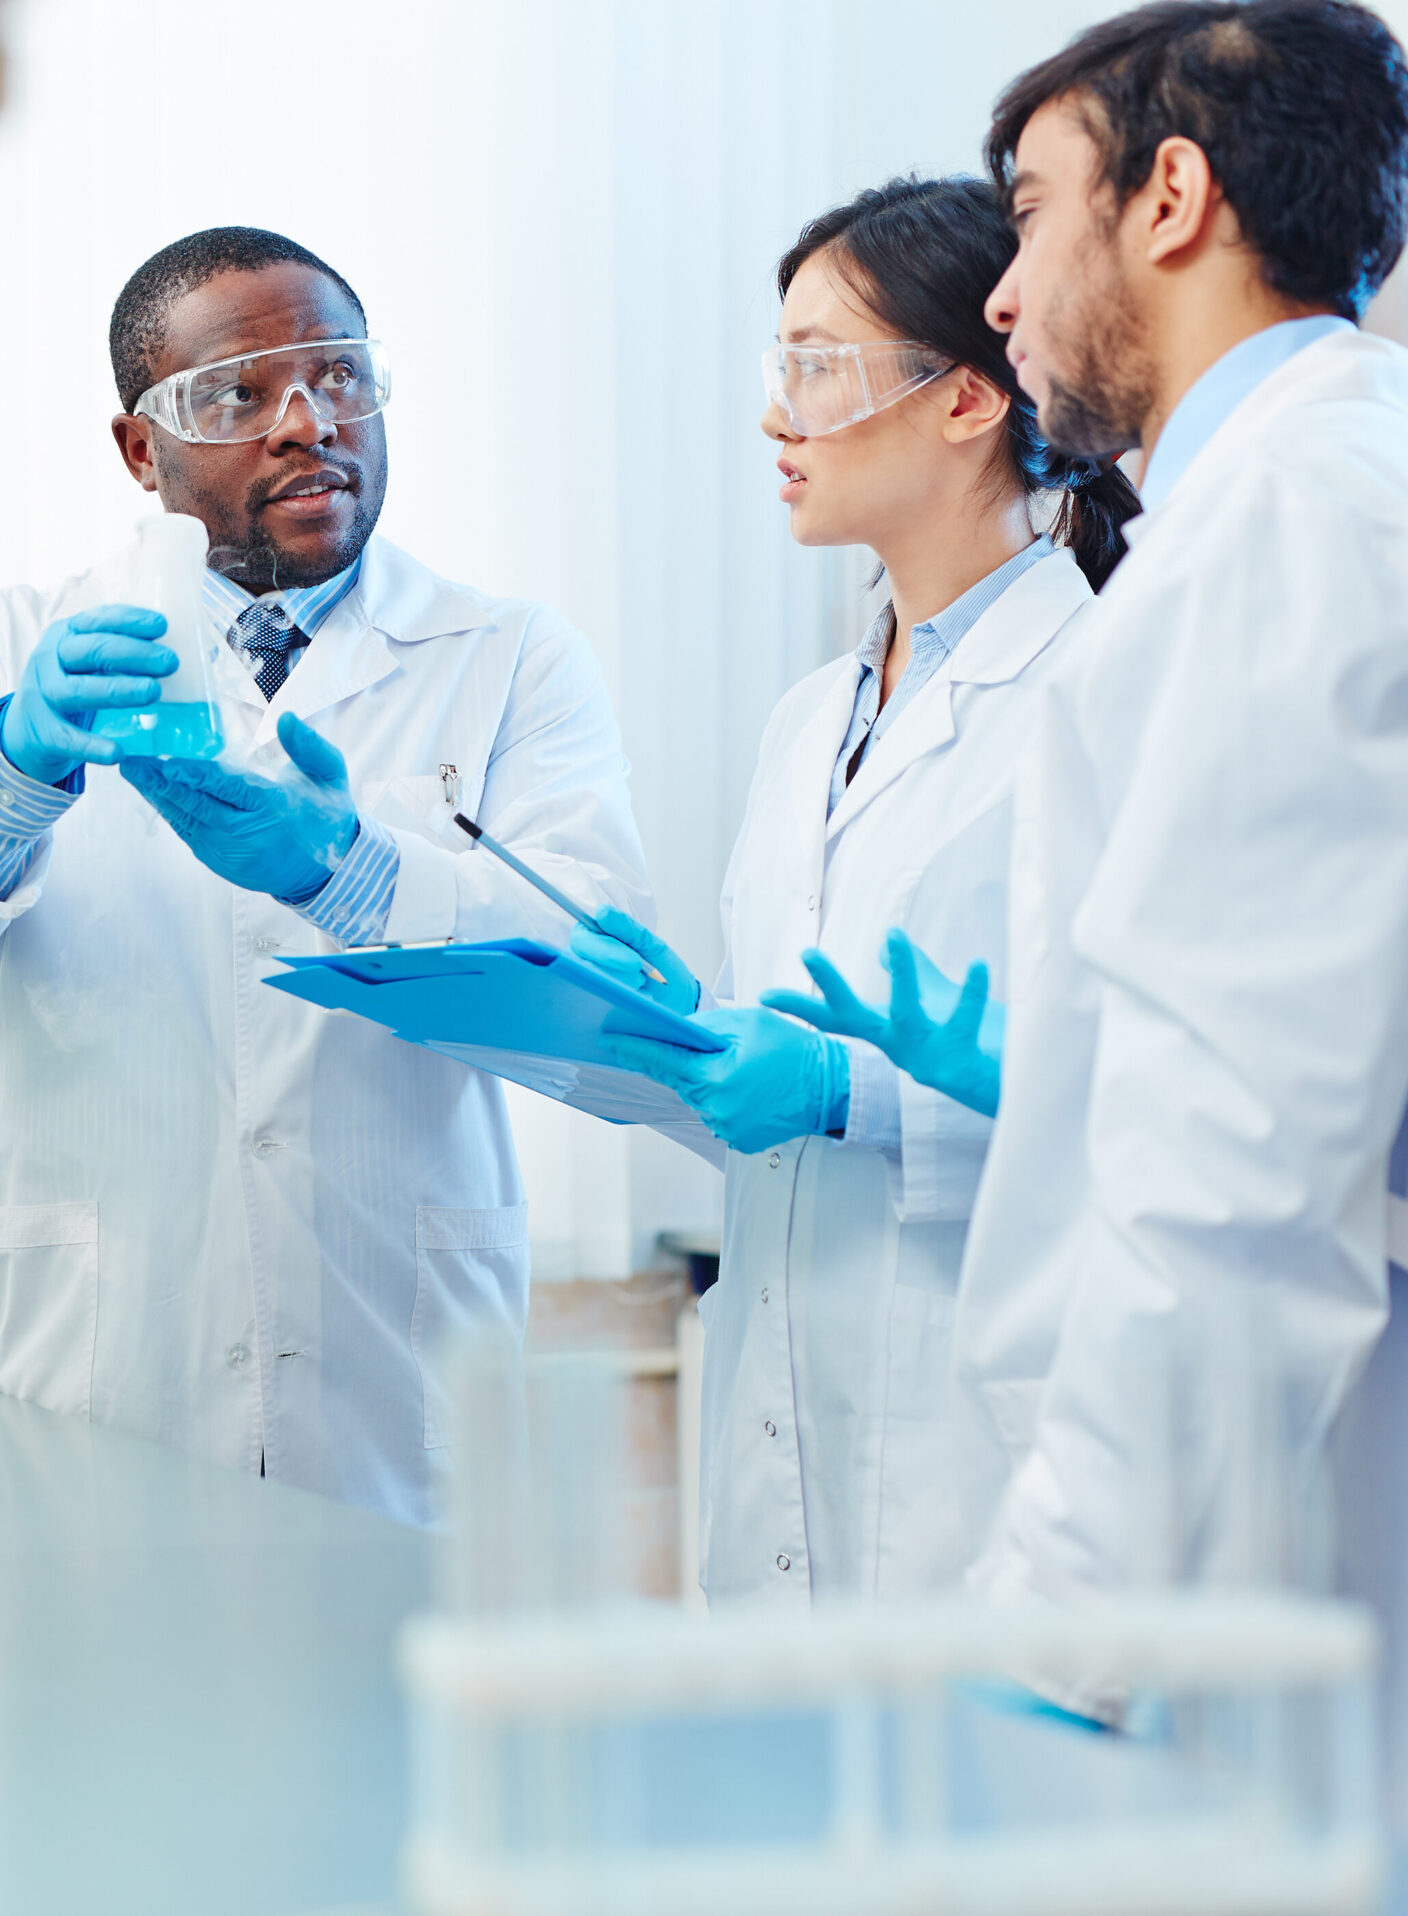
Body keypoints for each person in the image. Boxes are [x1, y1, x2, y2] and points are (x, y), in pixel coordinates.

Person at [0, 227, 650, 1524]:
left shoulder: (511, 660)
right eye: (236, 396)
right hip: (108, 1378)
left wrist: (348, 873)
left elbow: (608, 1004)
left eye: (339, 377)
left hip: (396, 1391)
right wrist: (18, 773)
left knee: (386, 1712)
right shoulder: (9, 647)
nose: (306, 424)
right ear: (141, 450)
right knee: (114, 1707)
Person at [785, 0, 1408, 1725]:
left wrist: (1068, 1636)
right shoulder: (1296, 496)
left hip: (1224, 1570)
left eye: (1035, 206)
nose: (1000, 284)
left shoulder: (1294, 516)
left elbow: (1232, 1159)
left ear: (1171, 199)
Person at [558, 177, 1138, 1608]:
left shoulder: (1110, 688)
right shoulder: (811, 719)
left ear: (967, 399)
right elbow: (789, 1080)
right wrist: (676, 1036)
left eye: (816, 368)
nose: (777, 418)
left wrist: (855, 1096)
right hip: (778, 1421)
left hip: (984, 1451)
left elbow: (1155, 1100)